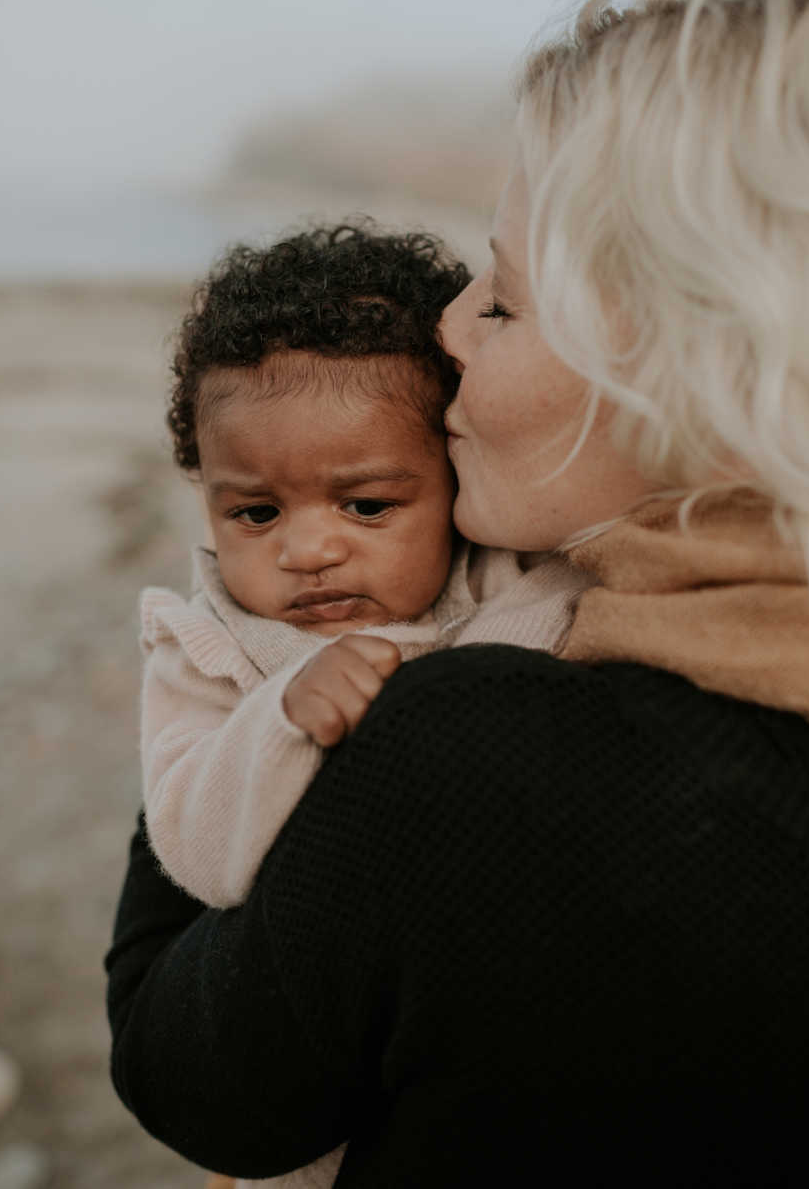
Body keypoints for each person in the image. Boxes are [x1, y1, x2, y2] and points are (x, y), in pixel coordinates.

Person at [107, 0, 809, 1187]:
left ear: (702, 360)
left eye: (500, 301)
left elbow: (189, 1078)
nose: (446, 331)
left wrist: (224, 690)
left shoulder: (478, 751)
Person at [140, 224, 580, 911]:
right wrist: (282, 720)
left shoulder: (496, 578)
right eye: (256, 514)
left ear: (455, 475)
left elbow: (573, 618)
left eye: (367, 505)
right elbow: (196, 857)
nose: (309, 553)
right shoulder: (207, 652)